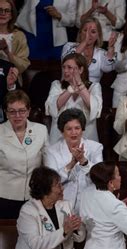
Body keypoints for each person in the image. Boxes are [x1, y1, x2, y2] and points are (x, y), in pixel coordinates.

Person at [11, 166, 85, 249]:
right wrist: (65, 230)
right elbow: (36, 244)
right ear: (45, 190)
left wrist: (77, 227)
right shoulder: (28, 211)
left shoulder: (65, 205)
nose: (62, 189)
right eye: (58, 185)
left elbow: (79, 238)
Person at [0, 90, 48, 219]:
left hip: (33, 196)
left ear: (28, 111)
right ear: (6, 113)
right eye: (12, 111)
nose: (17, 115)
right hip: (5, 196)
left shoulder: (41, 130)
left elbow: (47, 165)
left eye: (21, 111)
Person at [44, 109, 103, 212]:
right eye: (69, 129)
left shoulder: (95, 148)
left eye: (77, 128)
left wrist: (83, 161)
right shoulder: (51, 152)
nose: (74, 133)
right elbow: (50, 182)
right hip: (61, 206)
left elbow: (101, 178)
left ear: (82, 129)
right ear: (62, 131)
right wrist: (70, 165)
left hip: (89, 206)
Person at [45, 53, 102, 144]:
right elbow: (52, 108)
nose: (65, 71)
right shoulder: (57, 85)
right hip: (59, 139)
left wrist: (80, 85)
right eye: (64, 67)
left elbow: (95, 109)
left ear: (80, 69)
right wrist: (70, 90)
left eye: (69, 67)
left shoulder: (94, 87)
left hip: (86, 138)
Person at [62, 17, 116, 83]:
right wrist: (85, 42)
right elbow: (69, 60)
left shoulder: (101, 53)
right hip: (69, 89)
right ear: (80, 32)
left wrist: (110, 48)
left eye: (93, 32)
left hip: (92, 91)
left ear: (98, 35)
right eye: (85, 30)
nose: (88, 35)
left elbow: (108, 69)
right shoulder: (69, 46)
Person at [0, 0, 30, 75]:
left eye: (7, 11)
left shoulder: (19, 36)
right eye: (0, 10)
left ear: (11, 15)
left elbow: (23, 65)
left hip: (11, 78)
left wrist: (7, 52)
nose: (3, 13)